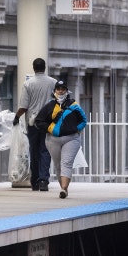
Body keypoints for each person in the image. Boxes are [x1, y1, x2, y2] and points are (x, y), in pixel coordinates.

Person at [35, 80, 87, 199]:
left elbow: (83, 120)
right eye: (58, 89)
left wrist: (75, 129)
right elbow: (39, 121)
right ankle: (64, 188)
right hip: (53, 140)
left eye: (63, 89)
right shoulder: (49, 106)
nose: (61, 91)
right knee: (58, 165)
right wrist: (50, 129)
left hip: (71, 139)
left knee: (66, 163)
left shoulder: (74, 105)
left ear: (67, 91)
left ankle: (63, 189)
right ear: (54, 91)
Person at [12, 58, 57, 191]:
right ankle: (44, 180)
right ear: (45, 67)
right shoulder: (53, 82)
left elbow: (23, 106)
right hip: (48, 122)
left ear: (33, 68)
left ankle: (35, 180)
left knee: (34, 151)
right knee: (45, 150)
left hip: (33, 122)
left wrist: (16, 117)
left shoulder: (28, 84)